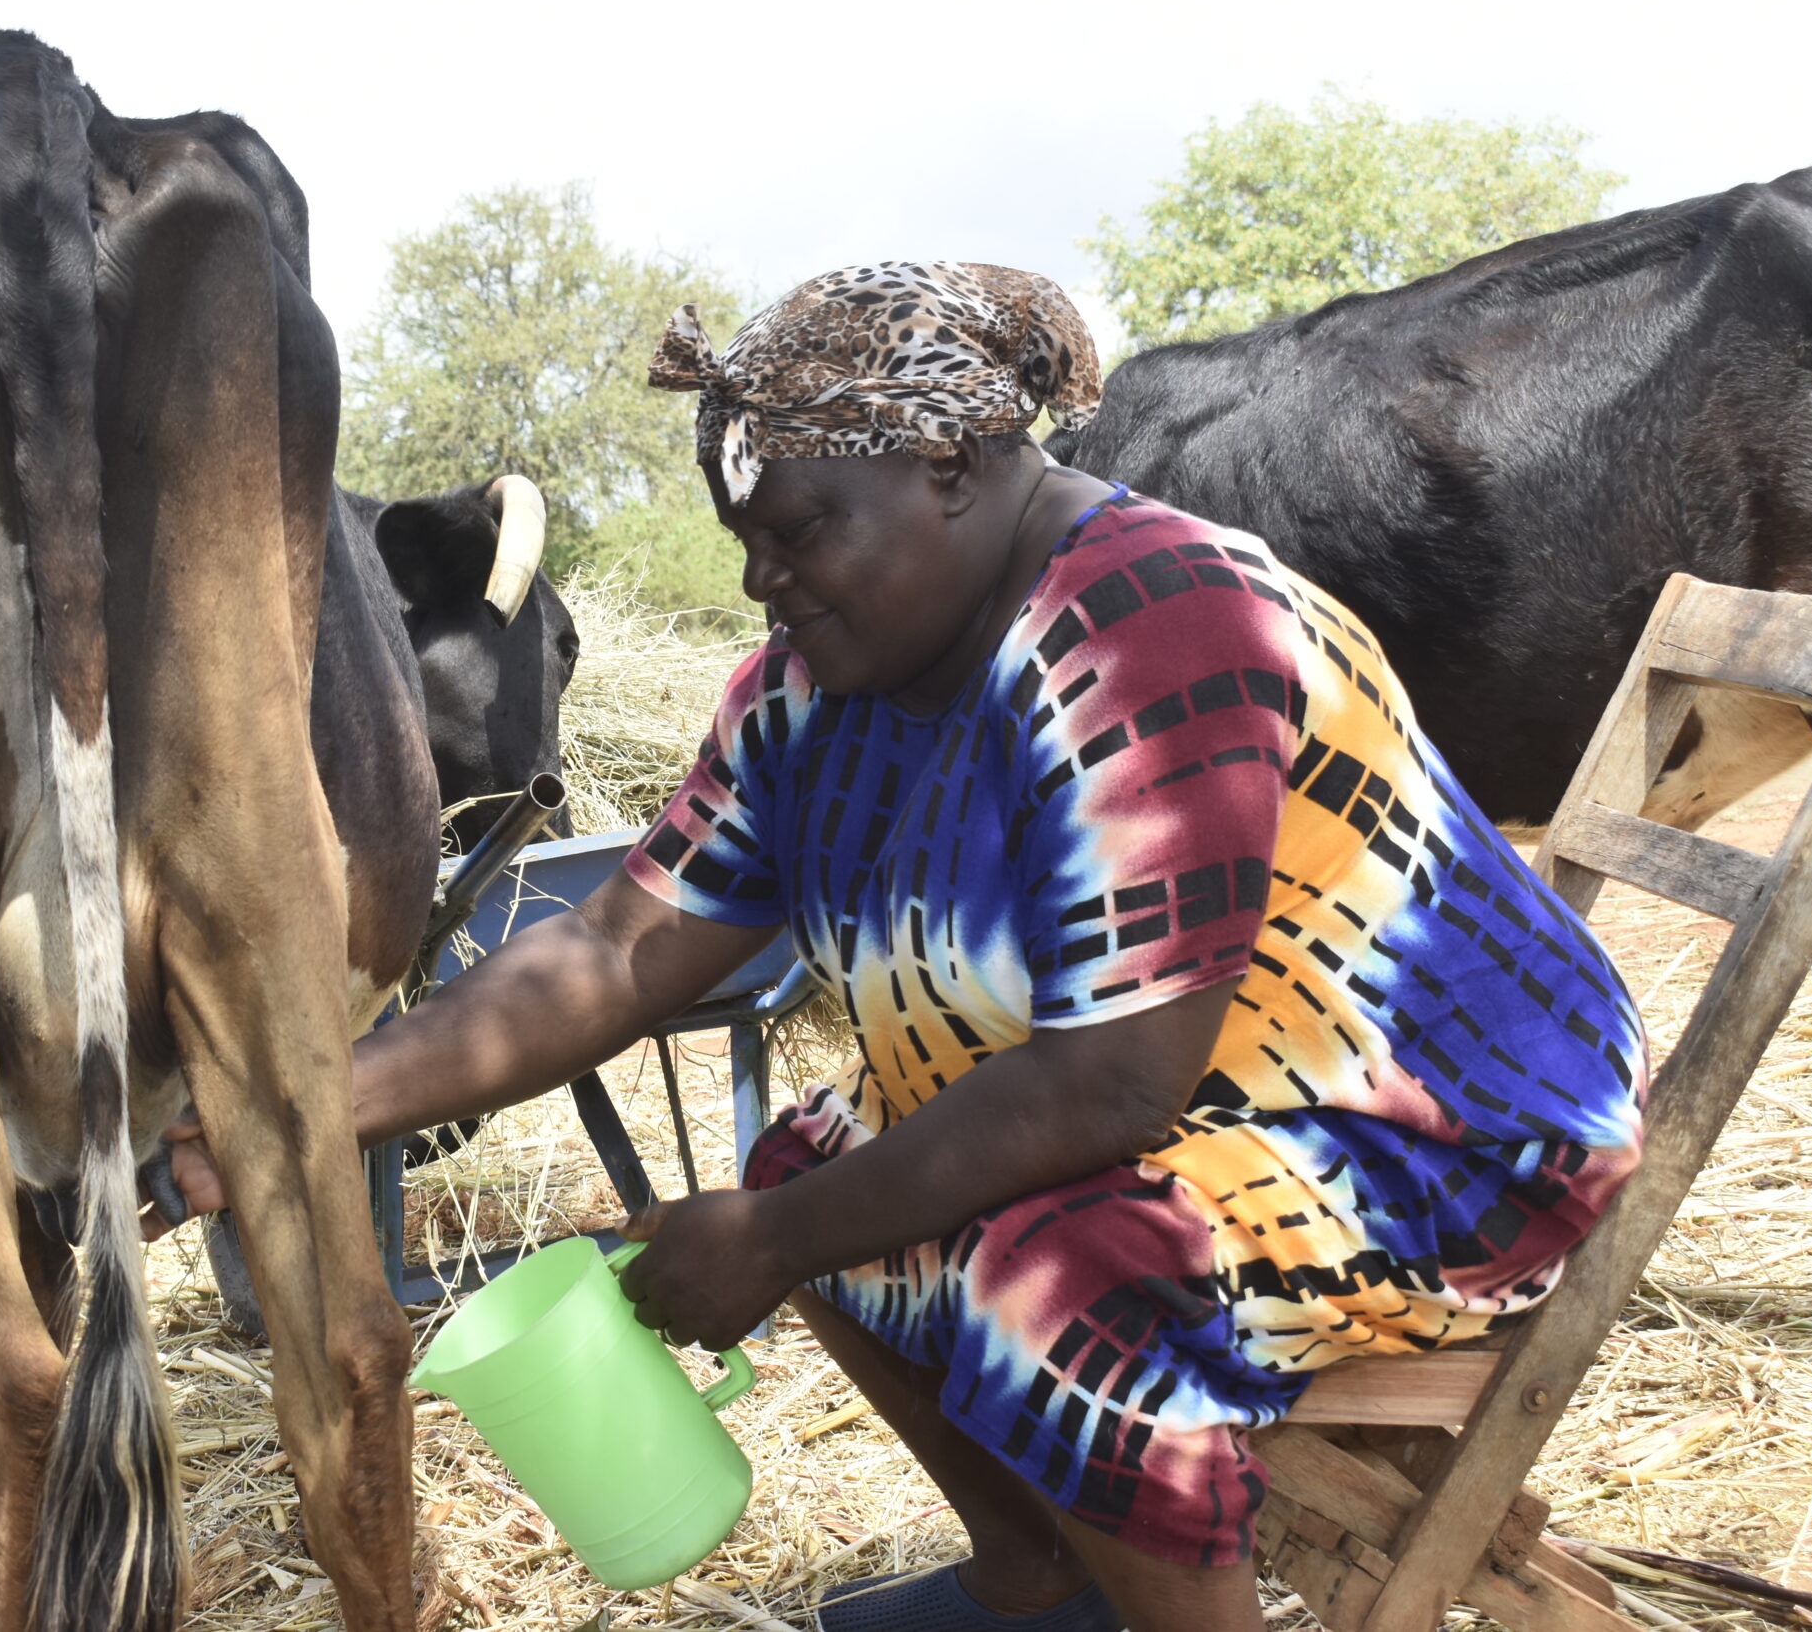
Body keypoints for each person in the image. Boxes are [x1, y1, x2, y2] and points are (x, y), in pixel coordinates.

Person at [156, 262, 1646, 1632]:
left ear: (953, 470)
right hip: (1209, 1112)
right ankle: (1038, 1578)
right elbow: (616, 950)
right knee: (818, 1161)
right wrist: (295, 1111)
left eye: (802, 530)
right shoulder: (809, 692)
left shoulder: (1158, 626)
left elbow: (1113, 1087)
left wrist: (774, 1247)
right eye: (748, 543)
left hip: (1431, 1142)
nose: (765, 580)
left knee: (1051, 1282)